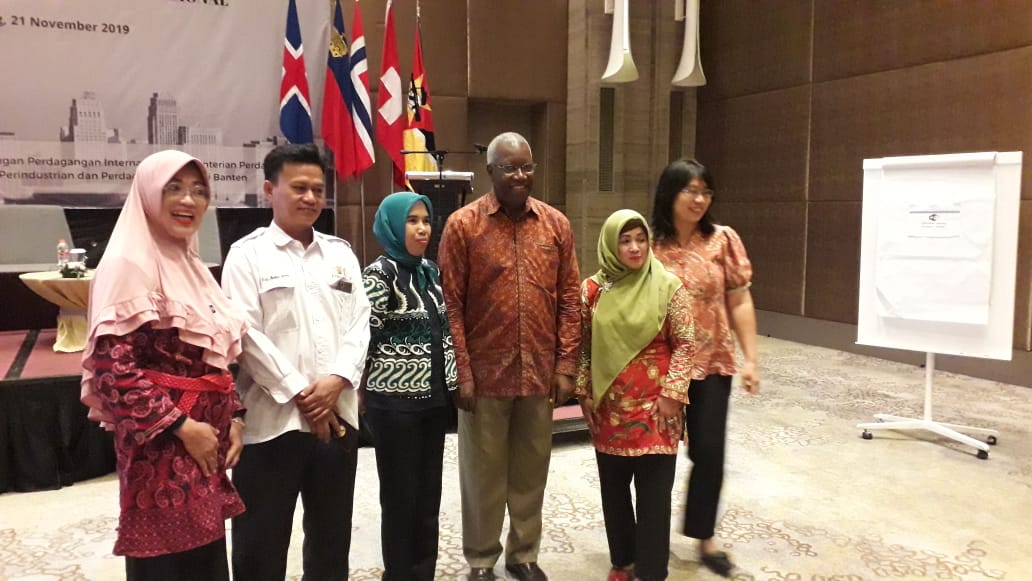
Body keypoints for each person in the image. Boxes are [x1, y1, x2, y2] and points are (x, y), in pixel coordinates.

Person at [80, 150, 248, 580]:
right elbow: (112, 370)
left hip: (205, 439)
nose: (188, 200)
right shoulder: (127, 263)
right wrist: (182, 427)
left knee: (204, 556)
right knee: (164, 559)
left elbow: (212, 356)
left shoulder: (190, 263)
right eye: (174, 188)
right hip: (160, 444)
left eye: (198, 191)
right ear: (149, 194)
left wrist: (235, 417)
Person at [220, 143, 370, 581]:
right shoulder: (247, 255)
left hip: (337, 419)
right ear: (270, 190)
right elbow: (245, 335)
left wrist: (337, 380)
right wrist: (304, 395)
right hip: (272, 424)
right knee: (260, 545)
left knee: (330, 542)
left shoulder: (340, 254)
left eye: (318, 189)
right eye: (299, 188)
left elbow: (359, 323)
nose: (310, 198)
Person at [437, 131, 582, 581]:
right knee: (482, 473)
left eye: (526, 167)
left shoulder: (556, 225)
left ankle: (523, 554)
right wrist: (462, 372)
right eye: (509, 168)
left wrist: (566, 366)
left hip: (539, 372)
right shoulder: (463, 225)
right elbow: (451, 306)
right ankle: (481, 558)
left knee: (531, 470)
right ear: (490, 171)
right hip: (484, 376)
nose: (520, 175)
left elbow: (570, 300)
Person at [650, 159, 760, 578]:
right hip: (661, 368)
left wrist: (751, 359)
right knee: (655, 457)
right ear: (670, 193)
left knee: (709, 452)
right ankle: (649, 540)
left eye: (706, 192)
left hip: (713, 363)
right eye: (690, 191)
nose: (699, 200)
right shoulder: (650, 244)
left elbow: (740, 300)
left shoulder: (722, 240)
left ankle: (704, 536)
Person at [576, 210, 694, 581]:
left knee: (654, 495)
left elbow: (685, 344)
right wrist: (583, 390)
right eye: (625, 241)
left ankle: (652, 569)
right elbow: (584, 346)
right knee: (614, 492)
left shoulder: (669, 286)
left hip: (658, 408)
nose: (634, 248)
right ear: (611, 245)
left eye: (640, 239)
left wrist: (673, 393)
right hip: (609, 408)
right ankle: (623, 561)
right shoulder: (592, 291)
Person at [362, 191, 458, 580]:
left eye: (426, 220)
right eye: (412, 221)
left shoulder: (430, 272)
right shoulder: (379, 275)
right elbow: (363, 340)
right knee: (400, 499)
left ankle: (423, 573)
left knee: (428, 498)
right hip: (394, 406)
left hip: (434, 402)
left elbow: (445, 331)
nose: (422, 229)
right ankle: (399, 574)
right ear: (391, 226)